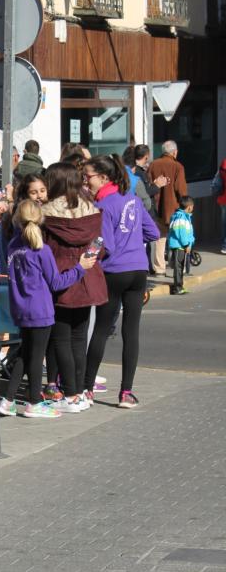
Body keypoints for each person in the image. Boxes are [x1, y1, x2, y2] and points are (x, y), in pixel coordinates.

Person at [0, 200, 96, 418]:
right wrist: (80, 268)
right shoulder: (41, 250)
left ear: (17, 219)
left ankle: (8, 400)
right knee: (36, 357)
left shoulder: (13, 246)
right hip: (41, 310)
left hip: (20, 309)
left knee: (25, 354)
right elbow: (56, 282)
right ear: (41, 219)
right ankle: (34, 402)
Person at [82, 154, 160, 409]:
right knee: (131, 331)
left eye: (88, 176)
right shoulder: (134, 200)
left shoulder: (104, 206)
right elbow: (153, 232)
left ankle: (87, 388)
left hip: (115, 271)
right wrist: (134, 243)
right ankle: (126, 392)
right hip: (138, 271)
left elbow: (107, 246)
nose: (86, 181)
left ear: (104, 178)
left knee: (102, 330)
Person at [41, 163, 107, 413]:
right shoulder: (91, 209)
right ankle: (80, 391)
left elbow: (41, 247)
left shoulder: (46, 213)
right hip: (88, 276)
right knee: (79, 338)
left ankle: (70, 393)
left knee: (61, 339)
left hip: (60, 278)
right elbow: (100, 245)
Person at [148, 140, 187, 276]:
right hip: (174, 209)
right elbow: (180, 190)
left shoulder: (153, 164)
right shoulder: (178, 166)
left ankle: (159, 268)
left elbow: (148, 185)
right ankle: (178, 266)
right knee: (179, 237)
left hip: (157, 208)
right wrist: (186, 206)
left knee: (160, 238)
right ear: (174, 152)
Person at [167, 196, 195, 295]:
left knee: (180, 267)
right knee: (178, 268)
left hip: (182, 246)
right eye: (192, 206)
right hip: (179, 246)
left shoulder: (183, 217)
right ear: (189, 207)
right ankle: (177, 288)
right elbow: (181, 233)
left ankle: (180, 286)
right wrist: (187, 244)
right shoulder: (181, 217)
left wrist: (190, 244)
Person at [211, 158, 226, 254]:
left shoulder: (223, 164)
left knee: (224, 223)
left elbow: (215, 183)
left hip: (223, 199)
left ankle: (225, 246)